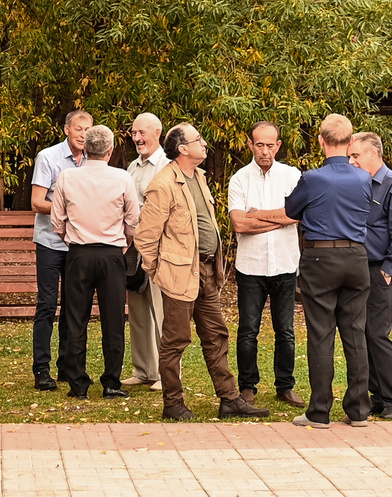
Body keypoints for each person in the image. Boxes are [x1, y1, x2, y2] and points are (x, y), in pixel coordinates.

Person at [134, 125, 269, 421]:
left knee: (216, 334)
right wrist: (160, 272)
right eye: (198, 140)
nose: (204, 144)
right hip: (179, 275)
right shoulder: (163, 184)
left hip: (206, 271)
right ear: (183, 148)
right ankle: (173, 404)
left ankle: (230, 399)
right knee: (176, 340)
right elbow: (145, 238)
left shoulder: (199, 177)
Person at [283, 113, 373, 428]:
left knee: (321, 334)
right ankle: (359, 410)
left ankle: (319, 411)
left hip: (320, 258)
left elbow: (292, 210)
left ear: (321, 141)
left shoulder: (312, 178)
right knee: (355, 332)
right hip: (356, 257)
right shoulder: (363, 177)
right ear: (350, 143)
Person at [49, 125, 141, 398]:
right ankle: (112, 382)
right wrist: (122, 244)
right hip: (112, 254)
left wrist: (72, 239)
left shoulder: (67, 177)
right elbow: (133, 219)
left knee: (75, 318)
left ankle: (78, 384)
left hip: (78, 253)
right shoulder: (122, 178)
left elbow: (57, 221)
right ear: (111, 151)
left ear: (84, 150)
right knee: (113, 320)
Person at [227, 121, 302, 406]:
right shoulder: (240, 179)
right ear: (250, 144)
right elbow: (239, 223)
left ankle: (285, 386)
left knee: (286, 330)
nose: (265, 151)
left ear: (279, 145)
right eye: (259, 144)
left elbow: (297, 215)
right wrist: (278, 219)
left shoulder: (292, 176)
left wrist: (258, 215)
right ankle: (248, 386)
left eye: (270, 145)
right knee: (248, 329)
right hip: (251, 267)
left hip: (284, 264)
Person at [28, 110, 94, 391]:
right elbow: (36, 202)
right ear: (67, 129)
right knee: (47, 304)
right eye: (78, 129)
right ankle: (41, 369)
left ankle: (69, 366)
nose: (83, 135)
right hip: (50, 242)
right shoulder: (48, 157)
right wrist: (69, 210)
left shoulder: (95, 160)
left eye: (87, 130)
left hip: (80, 243)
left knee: (74, 307)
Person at [354, 131, 392, 421]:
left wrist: (389, 270)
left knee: (378, 333)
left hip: (382, 270)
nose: (351, 161)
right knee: (364, 334)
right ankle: (376, 396)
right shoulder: (360, 184)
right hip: (359, 269)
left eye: (356, 155)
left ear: (373, 154)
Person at [123, 113, 168, 388]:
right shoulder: (132, 167)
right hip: (134, 248)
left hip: (160, 248)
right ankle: (144, 370)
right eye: (134, 133)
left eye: (142, 133)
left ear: (157, 133)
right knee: (138, 310)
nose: (137, 138)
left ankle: (166, 373)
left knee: (161, 312)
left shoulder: (167, 165)